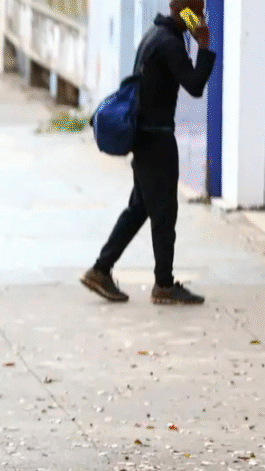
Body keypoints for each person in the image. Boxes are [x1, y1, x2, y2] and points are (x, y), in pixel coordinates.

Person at [81, 0, 215, 305]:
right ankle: (164, 285)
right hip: (156, 139)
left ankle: (100, 269)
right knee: (164, 213)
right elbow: (194, 85)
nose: (202, 17)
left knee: (140, 208)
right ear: (185, 10)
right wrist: (204, 45)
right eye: (198, 10)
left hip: (146, 137)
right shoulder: (169, 43)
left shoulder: (155, 34)